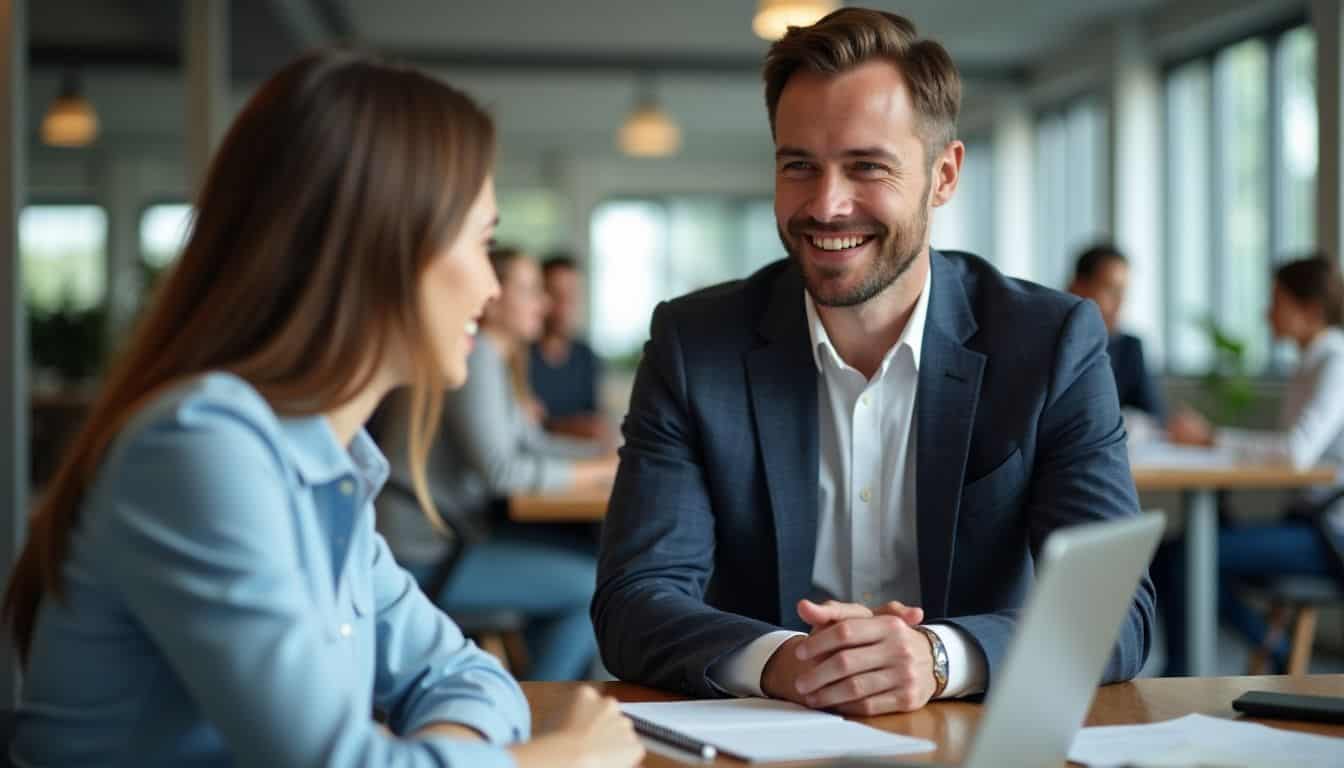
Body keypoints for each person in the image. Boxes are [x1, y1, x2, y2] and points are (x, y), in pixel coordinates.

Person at [2, 50, 642, 768]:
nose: (493, 290)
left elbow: (468, 676)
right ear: (383, 246)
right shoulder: (200, 448)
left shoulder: (332, 466)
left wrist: (441, 753)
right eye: (481, 242)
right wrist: (557, 759)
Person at [592, 7, 1154, 717]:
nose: (827, 206)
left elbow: (1114, 613)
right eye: (799, 165)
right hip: (763, 739)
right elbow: (632, 600)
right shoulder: (694, 344)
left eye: (867, 167)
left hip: (970, 735)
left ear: (943, 175)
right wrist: (785, 660)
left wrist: (940, 656)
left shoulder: (1049, 342)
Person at [378, 247, 617, 682]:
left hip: (445, 541)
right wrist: (604, 471)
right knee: (594, 588)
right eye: (528, 290)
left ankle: (542, 705)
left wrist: (613, 459)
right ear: (492, 297)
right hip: (422, 555)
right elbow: (502, 471)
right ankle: (534, 718)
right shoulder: (477, 354)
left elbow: (533, 444)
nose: (543, 304)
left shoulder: (494, 357)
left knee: (590, 563)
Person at [1157, 254, 1344, 675]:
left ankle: (1196, 672)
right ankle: (1229, 661)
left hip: (1330, 535)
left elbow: (1296, 453)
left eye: (1277, 301)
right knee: (1176, 554)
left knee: (1185, 556)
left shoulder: (1336, 362)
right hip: (1306, 522)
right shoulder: (1308, 364)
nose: (1266, 312)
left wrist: (1211, 438)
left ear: (1311, 310)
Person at [1067, 244, 1167, 424]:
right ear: (1077, 287)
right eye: (1110, 290)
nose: (1120, 302)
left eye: (1123, 292)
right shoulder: (1046, 343)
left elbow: (1153, 416)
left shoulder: (1129, 347)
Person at [529, 254, 610, 442]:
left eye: (571, 296)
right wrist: (564, 427)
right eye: (556, 295)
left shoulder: (586, 357)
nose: (565, 305)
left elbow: (594, 421)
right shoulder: (518, 355)